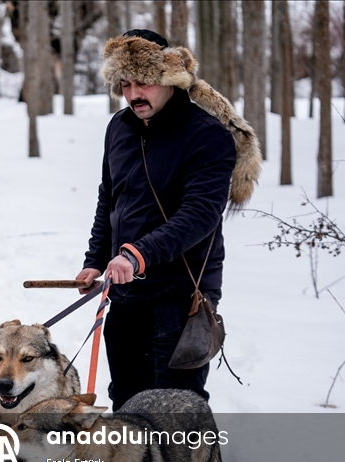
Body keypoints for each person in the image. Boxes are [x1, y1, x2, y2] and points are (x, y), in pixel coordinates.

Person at [76, 29, 261, 410]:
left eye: (143, 82)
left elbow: (200, 214)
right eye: (124, 84)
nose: (133, 95)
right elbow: (109, 199)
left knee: (176, 407)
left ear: (168, 79)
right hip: (125, 291)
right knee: (127, 401)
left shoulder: (206, 135)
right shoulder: (119, 128)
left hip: (181, 293)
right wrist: (95, 261)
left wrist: (137, 255)